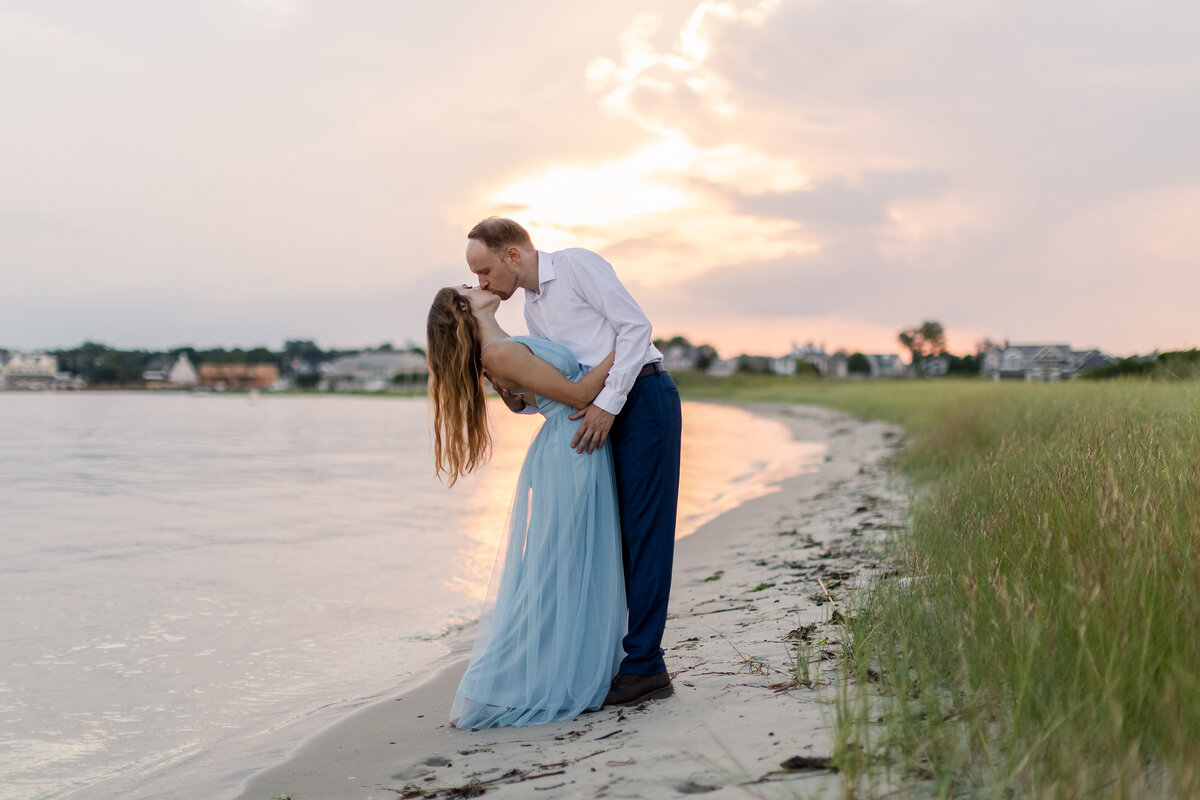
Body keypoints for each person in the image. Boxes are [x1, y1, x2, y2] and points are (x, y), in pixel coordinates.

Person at [465, 218, 682, 707]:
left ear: (513, 254)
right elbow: (566, 382)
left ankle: (646, 665)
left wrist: (608, 403)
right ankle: (610, 658)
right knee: (611, 539)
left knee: (645, 533)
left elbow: (636, 328)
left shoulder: (578, 266)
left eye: (485, 271)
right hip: (597, 413)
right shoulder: (535, 309)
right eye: (476, 277)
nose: (483, 283)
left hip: (642, 397)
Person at [427, 285, 626, 728]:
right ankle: (490, 685)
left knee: (570, 564)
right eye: (467, 286)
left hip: (570, 447)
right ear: (464, 308)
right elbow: (577, 396)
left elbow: (524, 401)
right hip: (569, 448)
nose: (476, 283)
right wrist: (625, 348)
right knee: (553, 568)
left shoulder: (503, 347)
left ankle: (571, 669)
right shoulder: (497, 353)